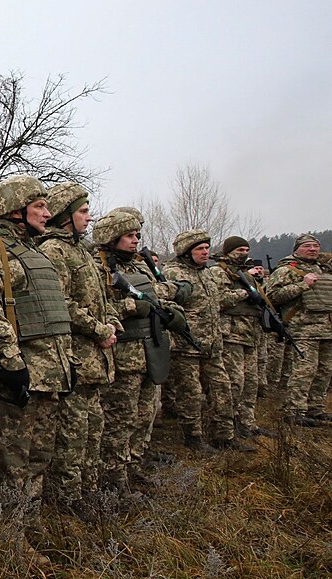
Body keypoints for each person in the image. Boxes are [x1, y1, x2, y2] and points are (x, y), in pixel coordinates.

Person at [0, 175, 74, 563]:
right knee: (13, 462)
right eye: (40, 206)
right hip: (18, 378)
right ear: (16, 210)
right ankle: (8, 539)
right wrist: (11, 362)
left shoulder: (33, 251)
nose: (47, 212)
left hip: (48, 376)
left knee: (39, 456)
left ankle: (28, 522)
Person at [38, 183, 118, 520]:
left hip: (97, 360)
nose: (89, 217)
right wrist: (98, 329)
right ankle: (66, 503)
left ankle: (90, 492)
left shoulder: (83, 252)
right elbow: (61, 304)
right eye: (83, 212)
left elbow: (102, 298)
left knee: (92, 432)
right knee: (71, 437)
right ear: (65, 215)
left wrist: (111, 321)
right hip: (75, 358)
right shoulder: (54, 251)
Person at [93, 210, 181, 495]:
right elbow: (97, 309)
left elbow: (156, 295)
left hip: (150, 348)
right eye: (130, 235)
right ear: (113, 236)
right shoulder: (100, 267)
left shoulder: (142, 267)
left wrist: (169, 309)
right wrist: (131, 307)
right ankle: (113, 475)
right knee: (121, 419)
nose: (135, 241)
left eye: (137, 236)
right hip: (124, 354)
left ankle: (134, 467)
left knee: (146, 414)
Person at [163, 230, 256, 453]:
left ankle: (224, 436)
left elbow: (218, 304)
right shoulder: (173, 273)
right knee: (190, 394)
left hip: (213, 345)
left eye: (207, 248)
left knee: (223, 389)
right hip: (186, 346)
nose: (206, 252)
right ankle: (193, 437)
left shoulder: (207, 274)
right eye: (199, 249)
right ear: (186, 251)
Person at [265, 234, 332, 426]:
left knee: (324, 371)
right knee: (304, 370)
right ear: (297, 249)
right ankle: (294, 411)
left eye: (316, 246)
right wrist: (303, 285)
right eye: (308, 246)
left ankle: (316, 409)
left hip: (327, 328)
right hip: (304, 329)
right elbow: (273, 297)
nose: (313, 249)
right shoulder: (287, 270)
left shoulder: (323, 269)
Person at [213, 237, 276, 439]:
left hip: (251, 334)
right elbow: (218, 300)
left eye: (246, 249)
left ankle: (247, 423)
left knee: (251, 383)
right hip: (231, 334)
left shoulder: (247, 275)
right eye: (239, 249)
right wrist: (244, 293)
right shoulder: (218, 272)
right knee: (234, 383)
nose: (244, 252)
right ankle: (227, 426)